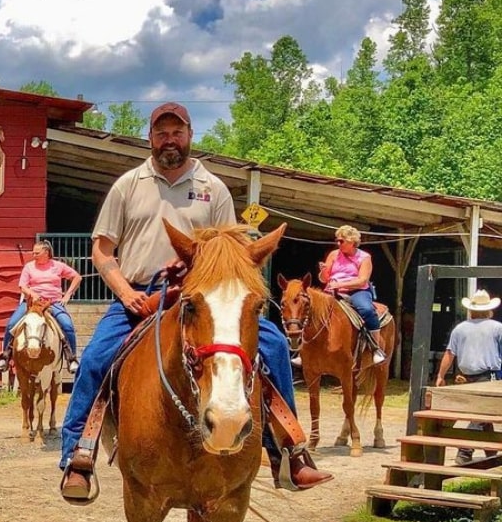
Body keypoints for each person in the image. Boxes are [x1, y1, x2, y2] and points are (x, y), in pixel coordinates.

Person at [58, 101, 332, 495]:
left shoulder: (213, 188)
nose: (170, 140)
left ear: (189, 135)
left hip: (203, 296)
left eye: (177, 132)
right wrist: (126, 292)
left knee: (270, 345)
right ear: (150, 138)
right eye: (162, 133)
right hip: (141, 295)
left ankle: (288, 452)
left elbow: (230, 249)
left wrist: (200, 272)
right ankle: (77, 456)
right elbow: (102, 251)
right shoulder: (128, 185)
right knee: (96, 358)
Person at [0, 241, 83, 373]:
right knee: (11, 324)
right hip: (32, 303)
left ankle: (71, 359)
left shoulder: (58, 266)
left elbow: (77, 277)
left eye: (37, 253)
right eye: (33, 253)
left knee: (67, 325)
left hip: (53, 302)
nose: (34, 255)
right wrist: (33, 294)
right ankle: (4, 358)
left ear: (46, 253)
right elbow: (22, 286)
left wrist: (68, 294)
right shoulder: (29, 267)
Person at [434, 288, 502, 465]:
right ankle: (465, 451)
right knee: (481, 416)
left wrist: (441, 375)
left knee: (481, 416)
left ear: (471, 309)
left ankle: (491, 454)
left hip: (466, 377)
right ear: (489, 310)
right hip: (489, 377)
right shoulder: (497, 328)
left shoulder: (460, 328)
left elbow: (450, 354)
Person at [316, 224, 387, 365]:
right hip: (332, 290)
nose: (338, 244)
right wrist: (323, 271)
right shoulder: (334, 254)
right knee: (312, 309)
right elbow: (323, 279)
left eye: (341, 241)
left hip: (357, 290)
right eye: (336, 240)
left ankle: (375, 348)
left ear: (352, 241)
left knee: (367, 310)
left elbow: (362, 280)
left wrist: (340, 285)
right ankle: (302, 349)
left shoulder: (365, 257)